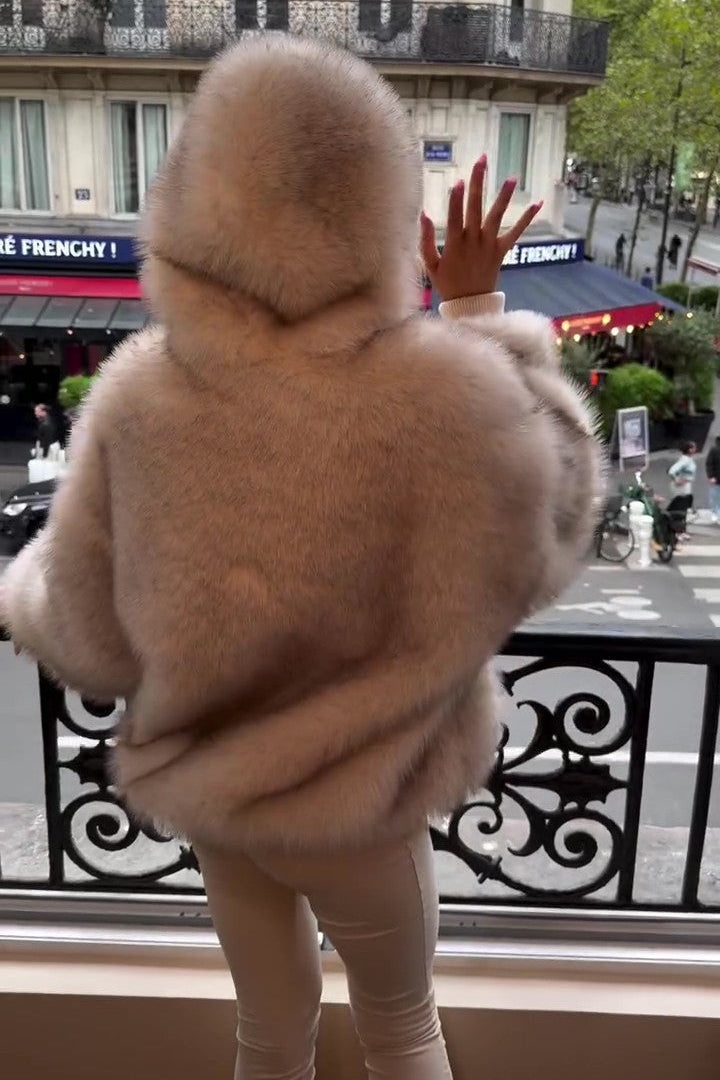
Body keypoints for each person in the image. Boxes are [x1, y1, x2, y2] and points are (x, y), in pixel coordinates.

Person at [0, 36, 602, 1080]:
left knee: (267, 1038)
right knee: (402, 1030)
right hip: (362, 806)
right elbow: (549, 532)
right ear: (375, 205)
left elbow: (86, 636)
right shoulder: (439, 392)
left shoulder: (141, 394)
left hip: (223, 799)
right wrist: (474, 310)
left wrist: (20, 596)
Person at [668, 440, 697, 539]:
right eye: (693, 447)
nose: (695, 449)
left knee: (683, 510)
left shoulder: (688, 459)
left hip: (686, 486)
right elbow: (672, 471)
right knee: (679, 509)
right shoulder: (685, 460)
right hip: (681, 488)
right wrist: (677, 480)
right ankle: (678, 532)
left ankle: (682, 530)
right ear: (689, 450)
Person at [705, 435, 720, 523]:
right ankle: (715, 513)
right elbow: (709, 464)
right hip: (717, 478)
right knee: (715, 496)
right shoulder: (714, 449)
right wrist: (711, 476)